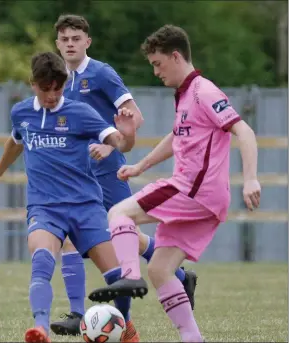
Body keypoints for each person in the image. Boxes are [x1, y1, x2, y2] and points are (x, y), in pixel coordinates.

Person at [88, 25, 261, 342]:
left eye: (158, 63)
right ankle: (192, 338)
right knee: (159, 270)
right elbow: (176, 137)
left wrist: (250, 178)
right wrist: (141, 164)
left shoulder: (203, 91)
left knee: (119, 214)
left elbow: (244, 131)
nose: (155, 71)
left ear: (176, 56)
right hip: (207, 200)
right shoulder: (184, 96)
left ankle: (128, 277)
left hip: (193, 190)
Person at [0, 51, 148, 343]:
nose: (52, 95)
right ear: (33, 83)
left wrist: (128, 136)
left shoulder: (80, 113)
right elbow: (16, 140)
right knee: (41, 258)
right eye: (46, 89)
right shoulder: (21, 113)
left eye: (58, 88)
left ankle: (126, 326)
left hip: (86, 206)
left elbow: (119, 143)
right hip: (45, 207)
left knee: (118, 278)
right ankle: (40, 328)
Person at [50, 14, 198, 338]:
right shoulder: (60, 78)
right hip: (76, 175)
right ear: (57, 43)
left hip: (107, 171)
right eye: (65, 39)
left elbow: (136, 118)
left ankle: (123, 320)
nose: (71, 44)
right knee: (70, 236)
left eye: (77, 38)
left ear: (87, 42)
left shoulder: (101, 73)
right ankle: (80, 313)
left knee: (121, 238)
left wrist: (109, 141)